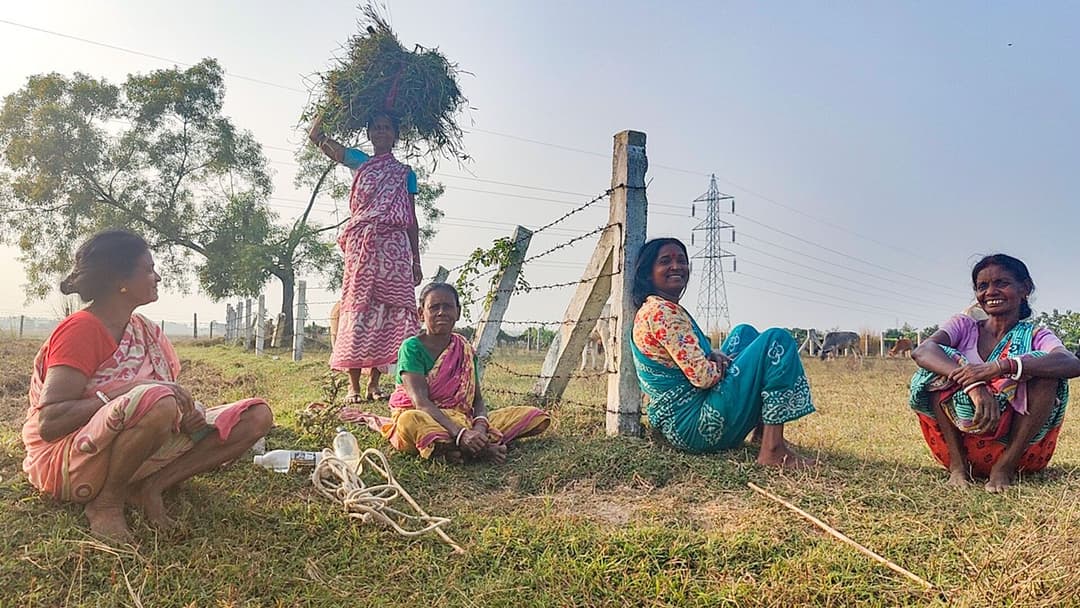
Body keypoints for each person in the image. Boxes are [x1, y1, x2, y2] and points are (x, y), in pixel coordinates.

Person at [21, 230, 274, 541]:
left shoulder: (145, 331)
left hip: (138, 444)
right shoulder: (81, 330)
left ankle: (150, 488)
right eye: (148, 269)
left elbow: (161, 398)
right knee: (158, 401)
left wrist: (189, 411)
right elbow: (51, 423)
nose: (158, 277)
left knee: (255, 415)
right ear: (119, 280)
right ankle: (107, 503)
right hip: (71, 460)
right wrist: (124, 392)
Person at [630, 238, 816, 467]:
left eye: (682, 260)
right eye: (665, 261)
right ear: (648, 274)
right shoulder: (663, 312)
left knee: (743, 333)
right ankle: (773, 451)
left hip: (679, 422)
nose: (676, 266)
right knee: (777, 339)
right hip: (694, 426)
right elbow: (703, 377)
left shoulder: (656, 307)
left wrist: (712, 356)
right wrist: (719, 363)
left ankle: (762, 434)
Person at [910, 254, 1079, 492]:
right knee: (936, 368)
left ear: (1025, 289)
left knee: (1044, 367)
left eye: (1002, 283)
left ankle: (1003, 469)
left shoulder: (1035, 334)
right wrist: (973, 385)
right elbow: (923, 351)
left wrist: (1001, 367)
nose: (991, 291)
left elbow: (1071, 363)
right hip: (962, 445)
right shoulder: (964, 326)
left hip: (1021, 456)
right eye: (983, 286)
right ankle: (959, 468)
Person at [347, 283, 551, 462]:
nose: (441, 312)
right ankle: (477, 448)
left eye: (447, 306)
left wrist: (479, 428)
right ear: (421, 314)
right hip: (427, 418)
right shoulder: (411, 347)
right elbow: (421, 403)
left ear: (458, 312)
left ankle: (452, 448)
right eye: (434, 307)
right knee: (409, 420)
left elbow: (478, 400)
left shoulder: (464, 347)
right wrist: (461, 433)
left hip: (463, 419)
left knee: (534, 416)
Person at [309, 110, 422, 403]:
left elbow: (411, 218)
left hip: (395, 249)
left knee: (388, 313)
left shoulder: (405, 173)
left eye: (387, 128)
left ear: (395, 135)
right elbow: (319, 140)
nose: (381, 133)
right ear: (369, 133)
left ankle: (374, 384)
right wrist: (324, 115)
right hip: (362, 247)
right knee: (358, 310)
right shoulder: (360, 161)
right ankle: (353, 386)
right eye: (376, 128)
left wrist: (416, 260)